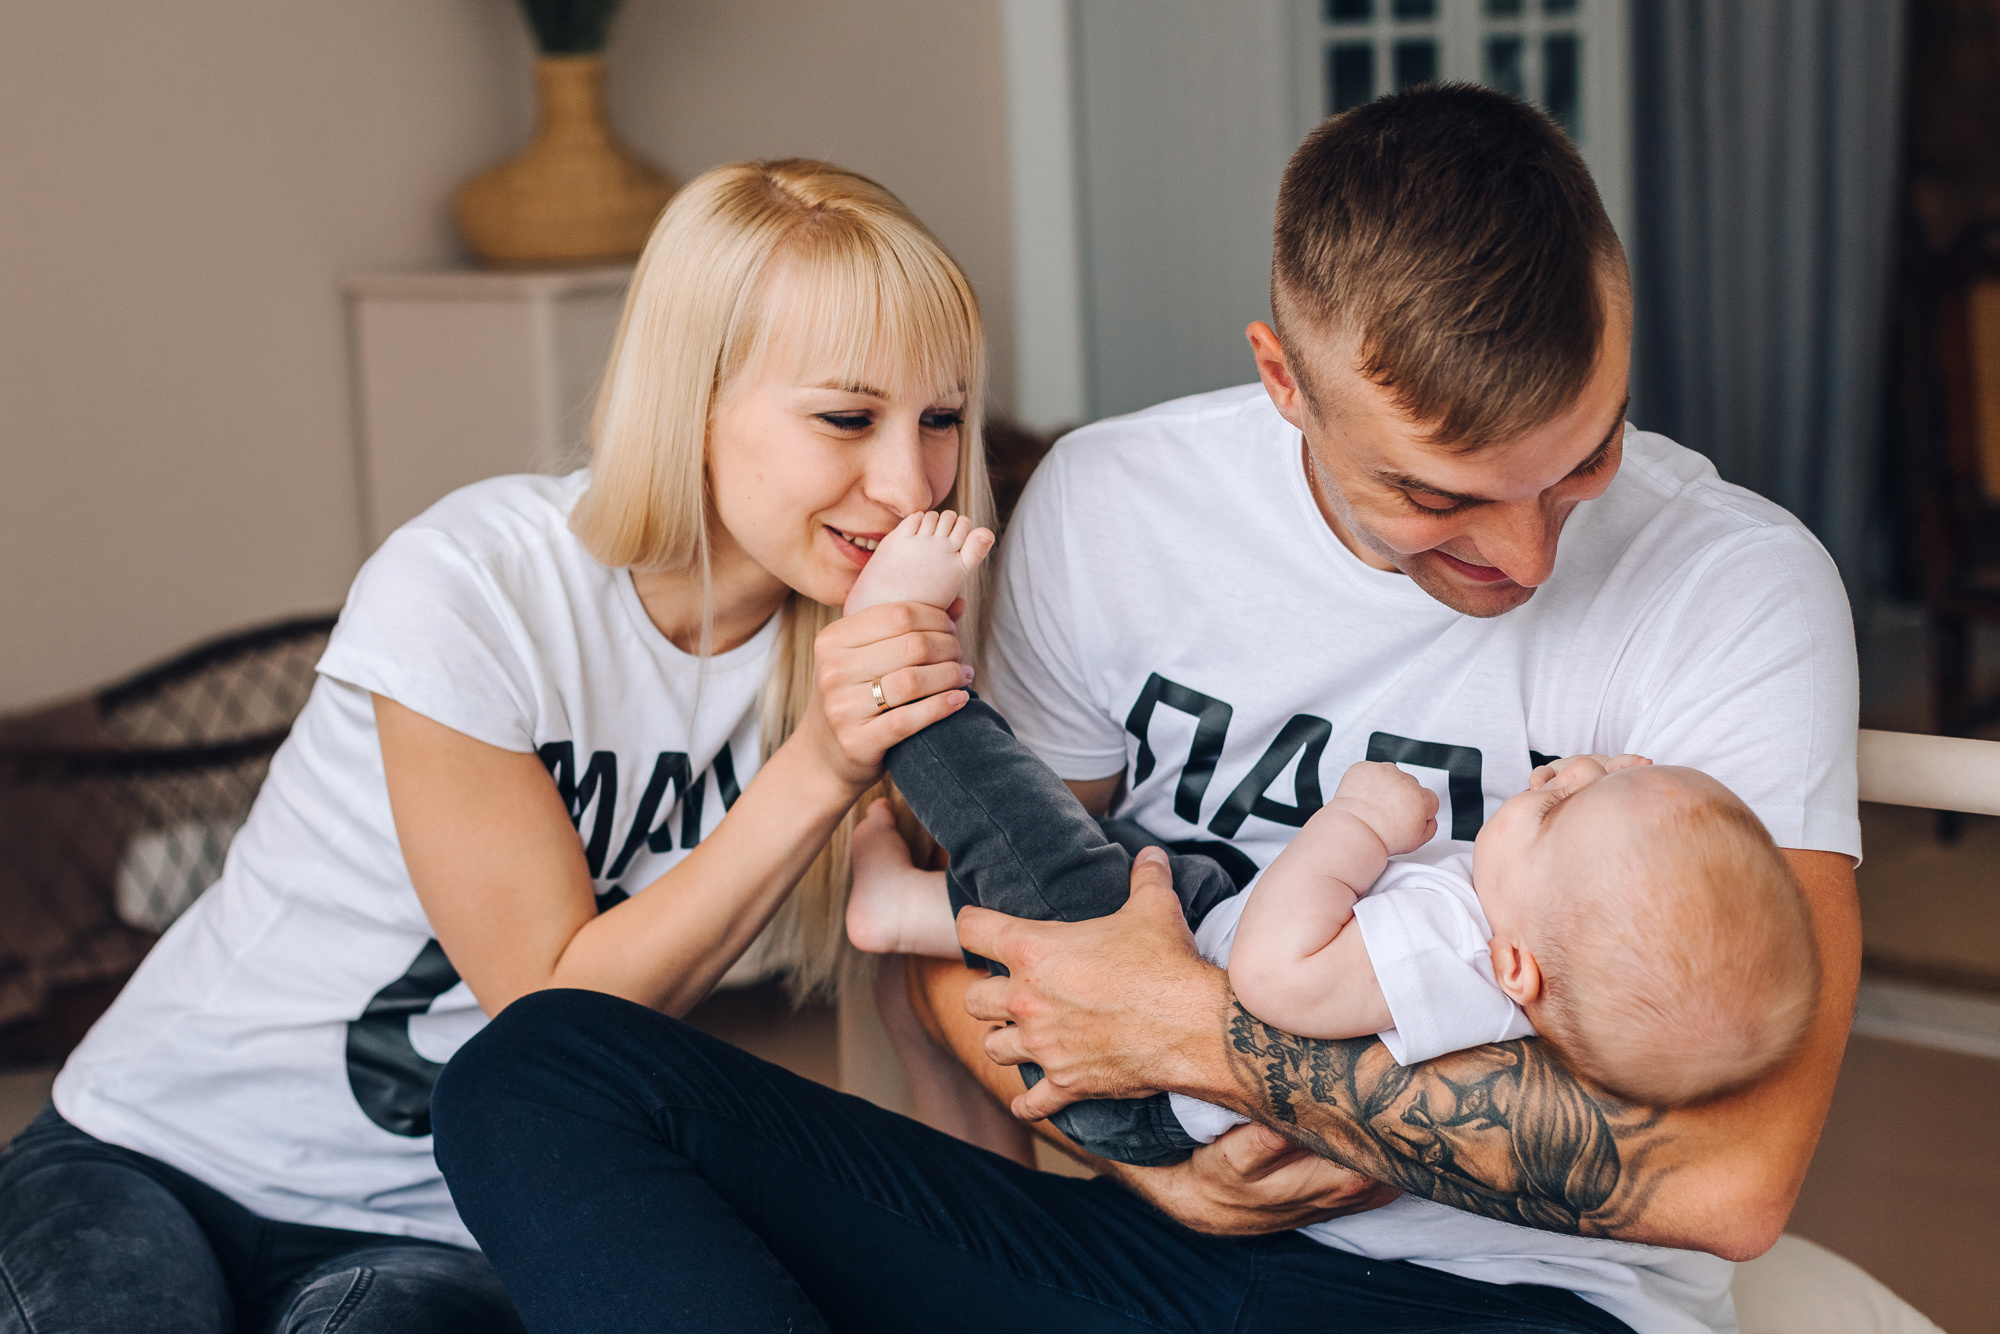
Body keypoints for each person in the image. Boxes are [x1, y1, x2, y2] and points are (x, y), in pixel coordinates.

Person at [428, 87, 1857, 1334]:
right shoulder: (1114, 503)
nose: (1530, 555)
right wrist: (1148, 1159)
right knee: (538, 1074)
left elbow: (1733, 1179)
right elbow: (969, 944)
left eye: (1583, 460)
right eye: (1435, 494)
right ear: (1282, 379)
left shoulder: (1732, 584)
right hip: (1128, 1244)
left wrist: (1196, 1036)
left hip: (1502, 1299)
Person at [0, 159, 991, 1334]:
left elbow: (919, 999)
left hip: (449, 1217)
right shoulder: (471, 585)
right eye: (846, 417)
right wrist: (819, 763)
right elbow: (546, 1016)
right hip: (162, 1145)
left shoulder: (880, 633)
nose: (909, 483)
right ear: (691, 401)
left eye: (939, 418)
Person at [847, 513, 1819, 1162]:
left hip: (1136, 1083)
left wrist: (1353, 828)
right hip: (1184, 961)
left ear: (1516, 966)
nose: (1561, 771)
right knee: (1146, 862)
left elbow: (1276, 972)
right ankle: (902, 910)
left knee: (1032, 836)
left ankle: (892, 656)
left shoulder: (1448, 946)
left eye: (1559, 806)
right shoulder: (1555, 958)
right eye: (1606, 772)